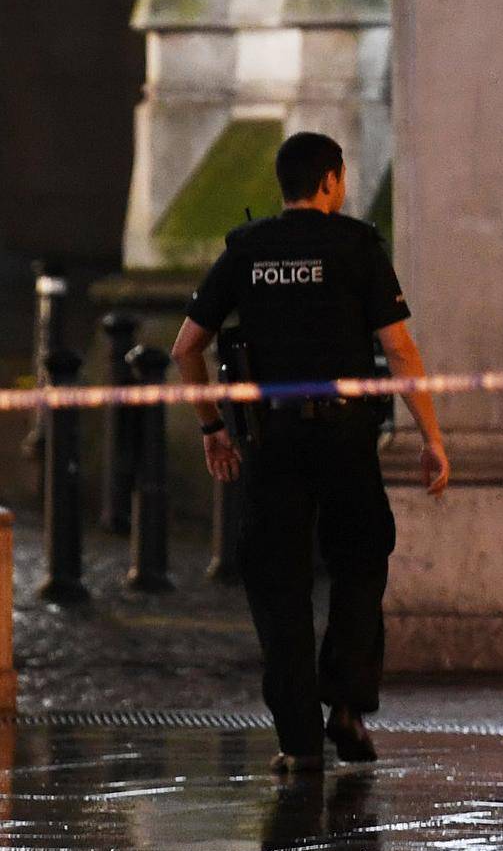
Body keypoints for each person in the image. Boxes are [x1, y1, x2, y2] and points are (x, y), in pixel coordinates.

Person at [172, 131, 451, 774]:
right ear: (331, 181)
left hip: (270, 441)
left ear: (282, 185)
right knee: (360, 563)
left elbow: (187, 347)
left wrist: (212, 427)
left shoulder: (246, 250)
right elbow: (401, 350)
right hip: (346, 436)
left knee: (277, 584)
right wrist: (432, 436)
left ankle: (298, 740)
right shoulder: (356, 246)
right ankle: (348, 704)